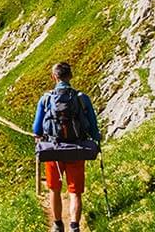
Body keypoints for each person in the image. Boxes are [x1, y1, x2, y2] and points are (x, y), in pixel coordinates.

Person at [32, 62, 101, 232]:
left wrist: (39, 136)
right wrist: (97, 139)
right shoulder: (81, 98)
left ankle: (57, 225)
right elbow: (93, 126)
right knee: (75, 192)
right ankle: (74, 226)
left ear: (54, 77)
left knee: (54, 189)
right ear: (70, 76)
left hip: (53, 151)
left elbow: (36, 129)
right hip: (76, 150)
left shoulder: (46, 98)